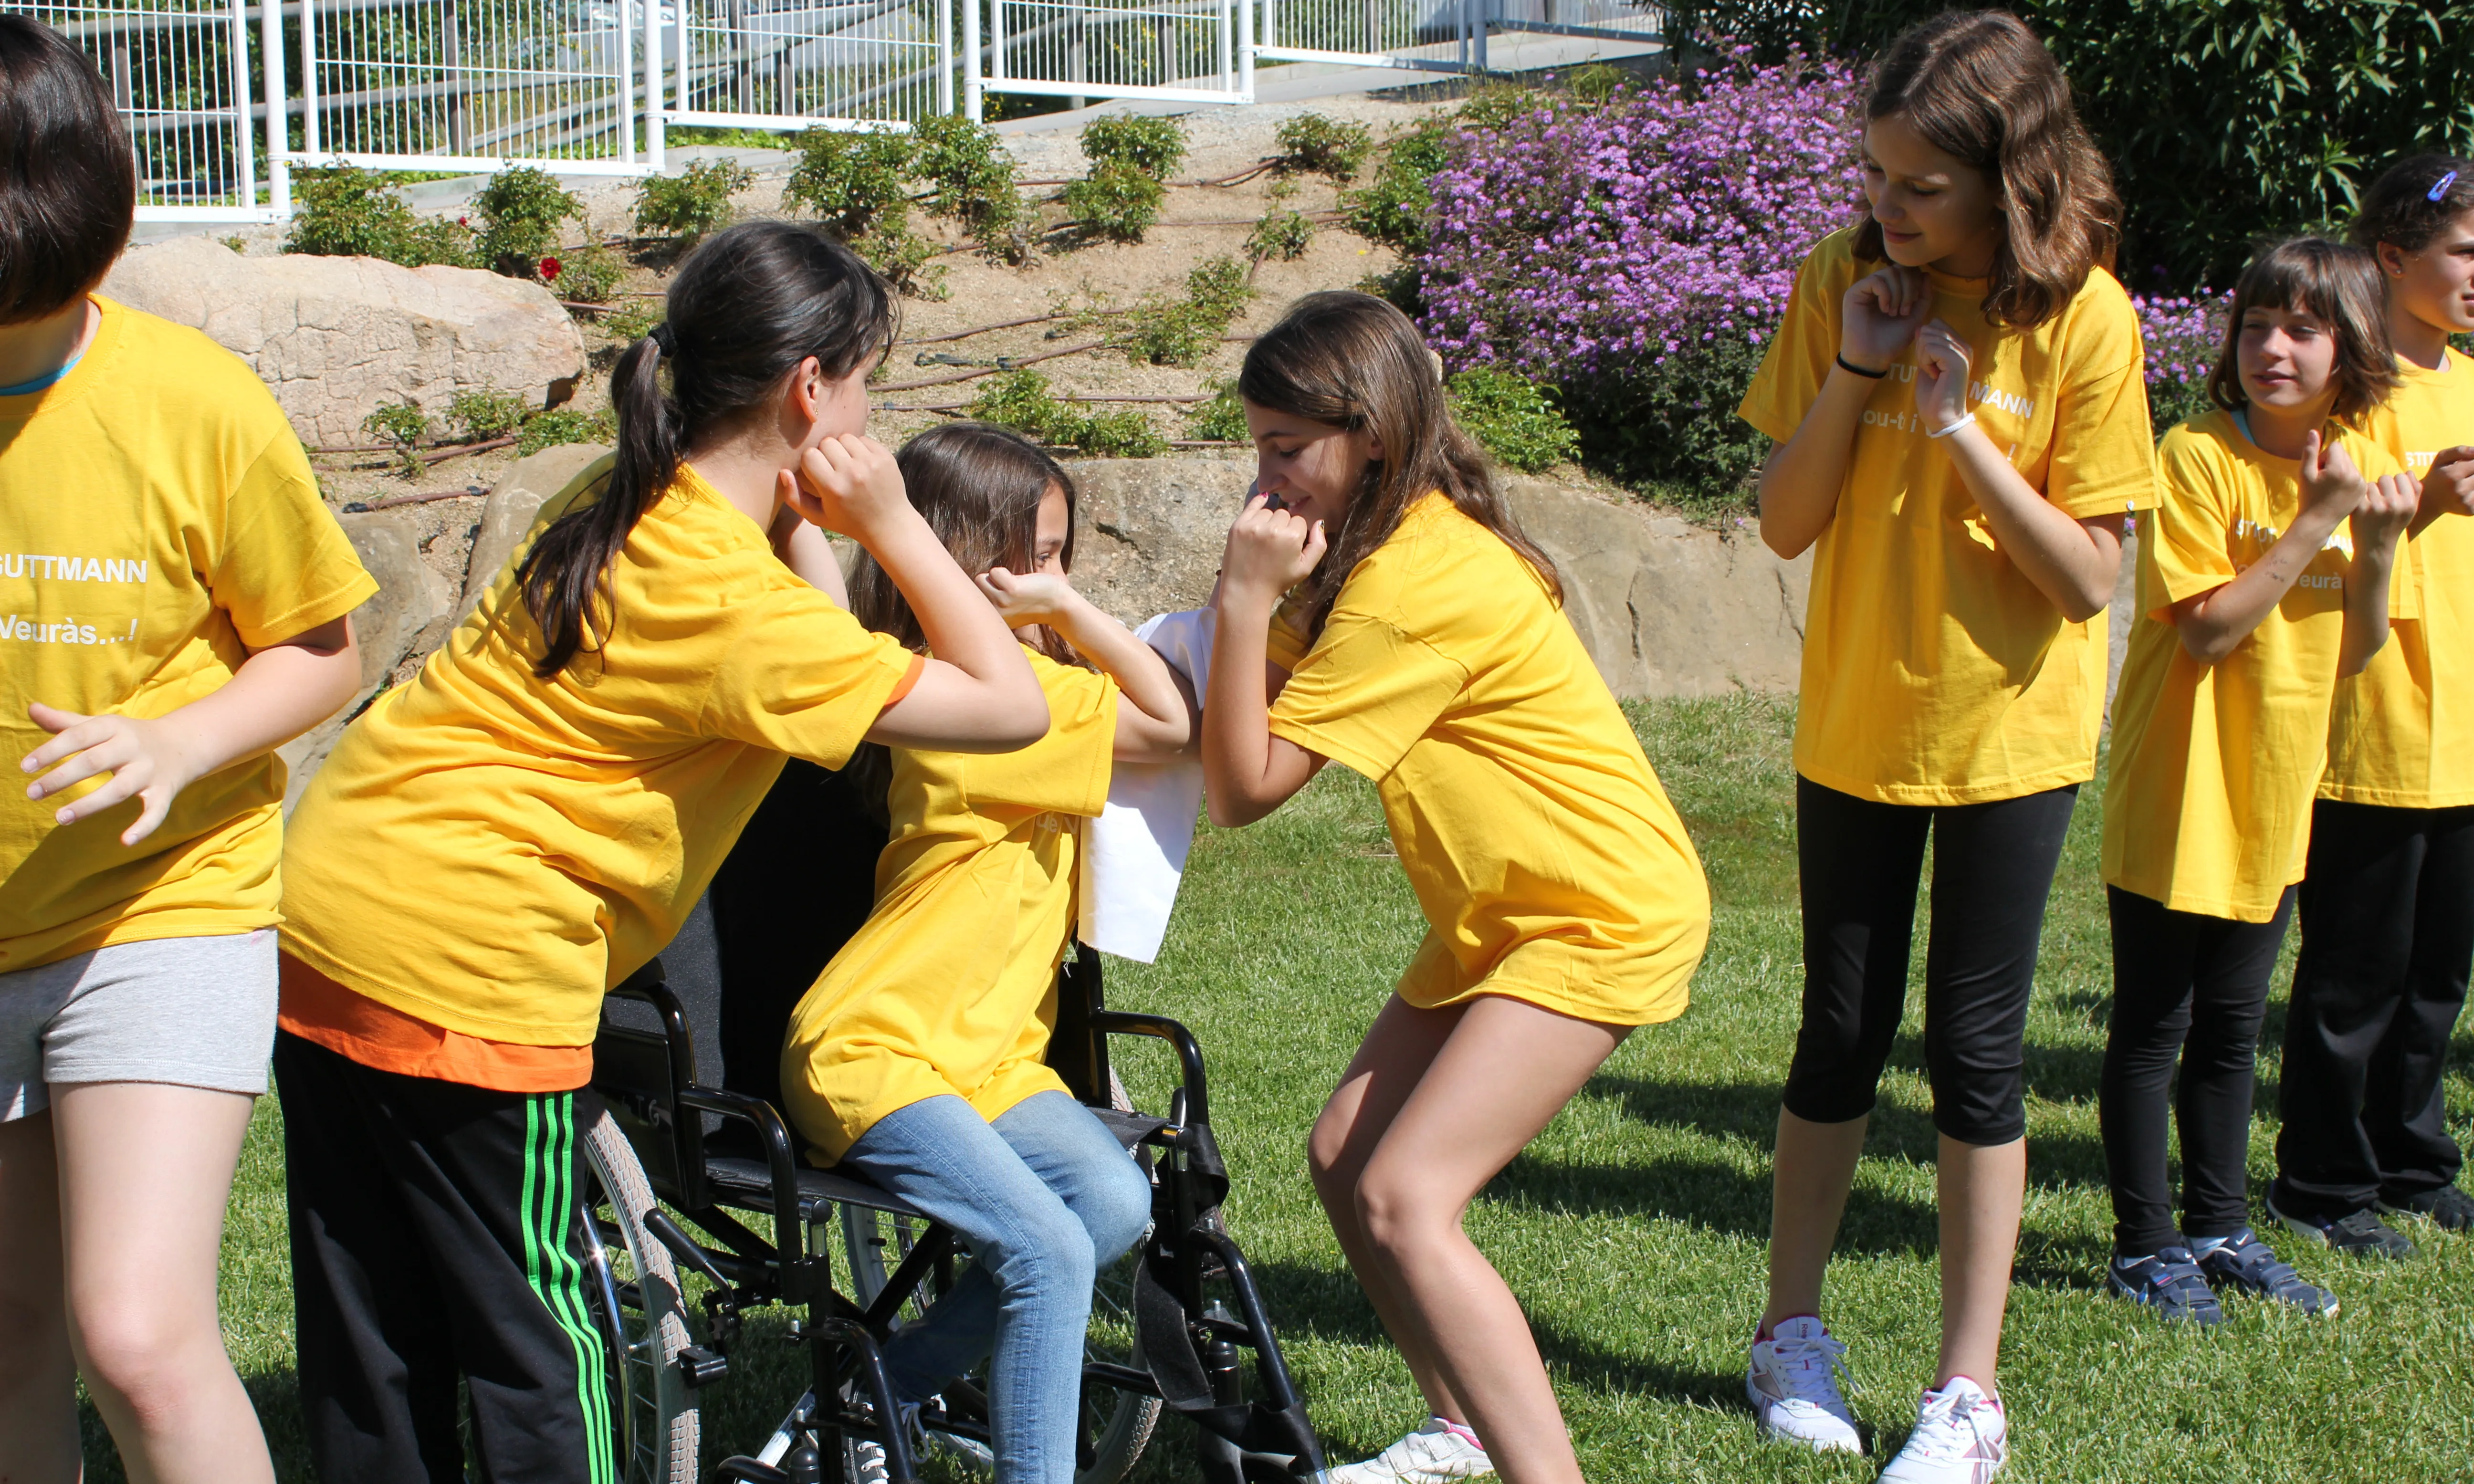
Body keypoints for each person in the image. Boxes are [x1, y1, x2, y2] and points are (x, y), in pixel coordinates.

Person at [272, 223, 1049, 1484]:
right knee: (541, 1340)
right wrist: (894, 521)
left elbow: (797, 641)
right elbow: (1007, 702)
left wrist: (811, 516)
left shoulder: (627, 498)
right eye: (866, 384)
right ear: (814, 389)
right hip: (469, 964)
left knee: (376, 1327)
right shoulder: (725, 603)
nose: (871, 411)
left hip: (329, 905)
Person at [1732, 12, 2157, 1480]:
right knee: (1837, 1035)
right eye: (1876, 173)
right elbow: (1786, 522)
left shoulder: (2087, 318)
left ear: (2007, 175)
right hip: (1858, 725)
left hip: (2013, 740)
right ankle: (1790, 1331)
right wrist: (1858, 370)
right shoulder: (1836, 282)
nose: (1886, 206)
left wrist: (1965, 428)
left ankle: (1964, 1393)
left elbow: (2092, 577)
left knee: (1978, 1058)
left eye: (1920, 183)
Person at [1203, 290, 1711, 1484]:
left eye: (1287, 446)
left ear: (1369, 432)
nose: (1266, 476)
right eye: (1259, 444)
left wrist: (1242, 595)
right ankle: (1464, 1431)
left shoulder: (1413, 580)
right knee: (1345, 1155)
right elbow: (1230, 703)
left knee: (1405, 1194)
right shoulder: (1378, 547)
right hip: (1510, 911)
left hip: (1597, 910)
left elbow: (1246, 783)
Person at [0, 18, 376, 1482]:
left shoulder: (195, 402)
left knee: (138, 1335)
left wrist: (175, 739)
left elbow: (318, 646)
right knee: (10, 1330)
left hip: (160, 907)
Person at [780, 421, 1188, 1484]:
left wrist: (802, 522)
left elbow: (829, 619)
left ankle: (885, 1388)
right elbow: (1174, 722)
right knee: (1046, 1251)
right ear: (968, 558)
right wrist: (1069, 615)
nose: (1053, 578)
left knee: (1113, 1205)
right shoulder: (1015, 709)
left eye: (1062, 560)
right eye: (1039, 556)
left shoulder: (924, 681)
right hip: (878, 1050)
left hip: (991, 1061)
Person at [2097, 237, 2418, 1325]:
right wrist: (2316, 523)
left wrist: (2373, 544)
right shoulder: (2196, 455)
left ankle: (2219, 1227)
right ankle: (2144, 1244)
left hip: (2280, 783)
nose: (2273, 348)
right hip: (2182, 781)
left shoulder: (2358, 456)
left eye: (2303, 329)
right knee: (2155, 1023)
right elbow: (2209, 634)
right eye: (2255, 327)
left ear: (2350, 349)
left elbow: (2365, 645)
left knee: (2235, 1027)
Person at [2270, 154, 2474, 1255]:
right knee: (2355, 976)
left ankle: (2413, 1160)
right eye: (2466, 252)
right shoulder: (2348, 398)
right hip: (2371, 728)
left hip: (2467, 739)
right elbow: (2322, 558)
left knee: (2439, 975)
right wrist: (2430, 509)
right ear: (2394, 259)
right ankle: (2321, 1180)